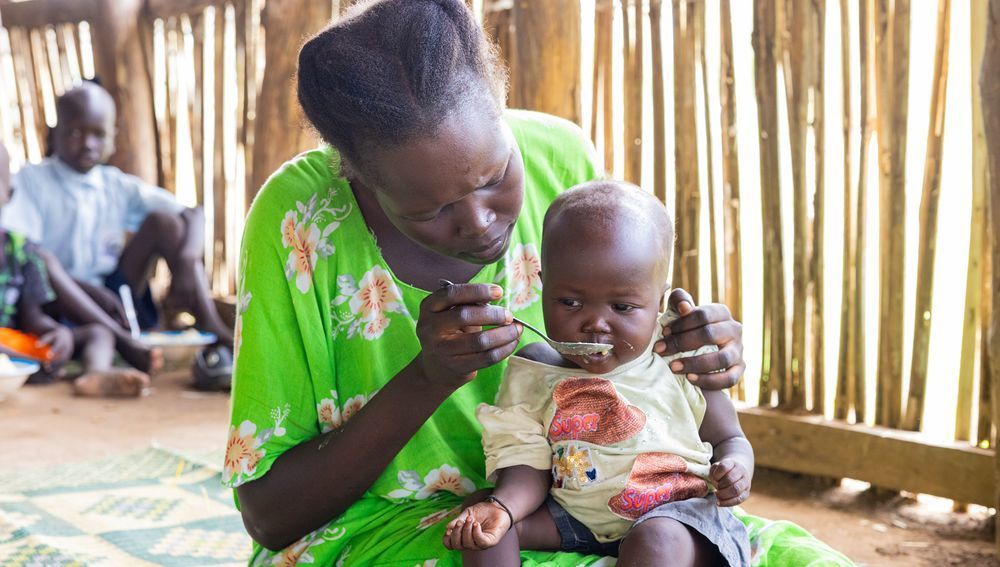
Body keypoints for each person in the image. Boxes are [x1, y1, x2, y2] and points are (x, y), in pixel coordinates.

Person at [228, 1, 849, 565]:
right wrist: (429, 377)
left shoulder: (562, 157)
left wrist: (697, 346)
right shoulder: (300, 221)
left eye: (496, 174)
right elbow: (271, 517)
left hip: (613, 505)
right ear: (355, 175)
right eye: (429, 211)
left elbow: (638, 349)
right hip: (402, 528)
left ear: (500, 101)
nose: (479, 222)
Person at [443, 181, 752, 566]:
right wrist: (503, 507)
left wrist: (736, 469)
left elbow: (730, 439)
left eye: (622, 307)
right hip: (576, 517)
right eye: (570, 302)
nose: (595, 324)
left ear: (658, 301)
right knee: (484, 522)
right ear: (543, 287)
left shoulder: (678, 353)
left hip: (678, 516)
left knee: (655, 539)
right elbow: (525, 463)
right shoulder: (534, 370)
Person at [1, 82, 234, 378]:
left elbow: (193, 213)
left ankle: (212, 327)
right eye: (75, 132)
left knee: (166, 224)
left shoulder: (115, 185)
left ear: (113, 137)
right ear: (54, 133)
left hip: (113, 292)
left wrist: (188, 259)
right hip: (57, 296)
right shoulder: (33, 181)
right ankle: (124, 343)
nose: (87, 144)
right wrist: (89, 292)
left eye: (98, 134)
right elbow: (27, 257)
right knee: (43, 258)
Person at [0, 142, 149, 397]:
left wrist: (55, 333)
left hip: (18, 346)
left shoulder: (21, 251)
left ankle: (96, 373)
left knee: (98, 333)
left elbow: (32, 315)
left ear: (10, 195)